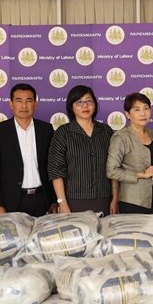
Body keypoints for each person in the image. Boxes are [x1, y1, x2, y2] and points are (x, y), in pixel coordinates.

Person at [0, 83, 56, 217]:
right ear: (11, 104)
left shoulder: (46, 129)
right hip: (11, 201)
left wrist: (54, 200)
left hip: (42, 199)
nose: (24, 106)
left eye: (28, 101)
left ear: (35, 104)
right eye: (19, 101)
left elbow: (53, 167)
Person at [48, 85, 117, 215]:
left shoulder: (106, 131)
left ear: (95, 105)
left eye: (89, 101)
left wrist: (115, 198)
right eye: (79, 102)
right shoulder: (63, 133)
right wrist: (62, 203)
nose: (85, 106)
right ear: (71, 107)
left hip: (104, 199)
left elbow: (114, 167)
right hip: (74, 201)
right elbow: (56, 171)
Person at [107, 93, 153, 214]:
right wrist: (142, 174)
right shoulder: (121, 137)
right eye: (137, 109)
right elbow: (111, 170)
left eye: (146, 108)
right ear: (127, 114)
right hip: (133, 201)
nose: (143, 113)